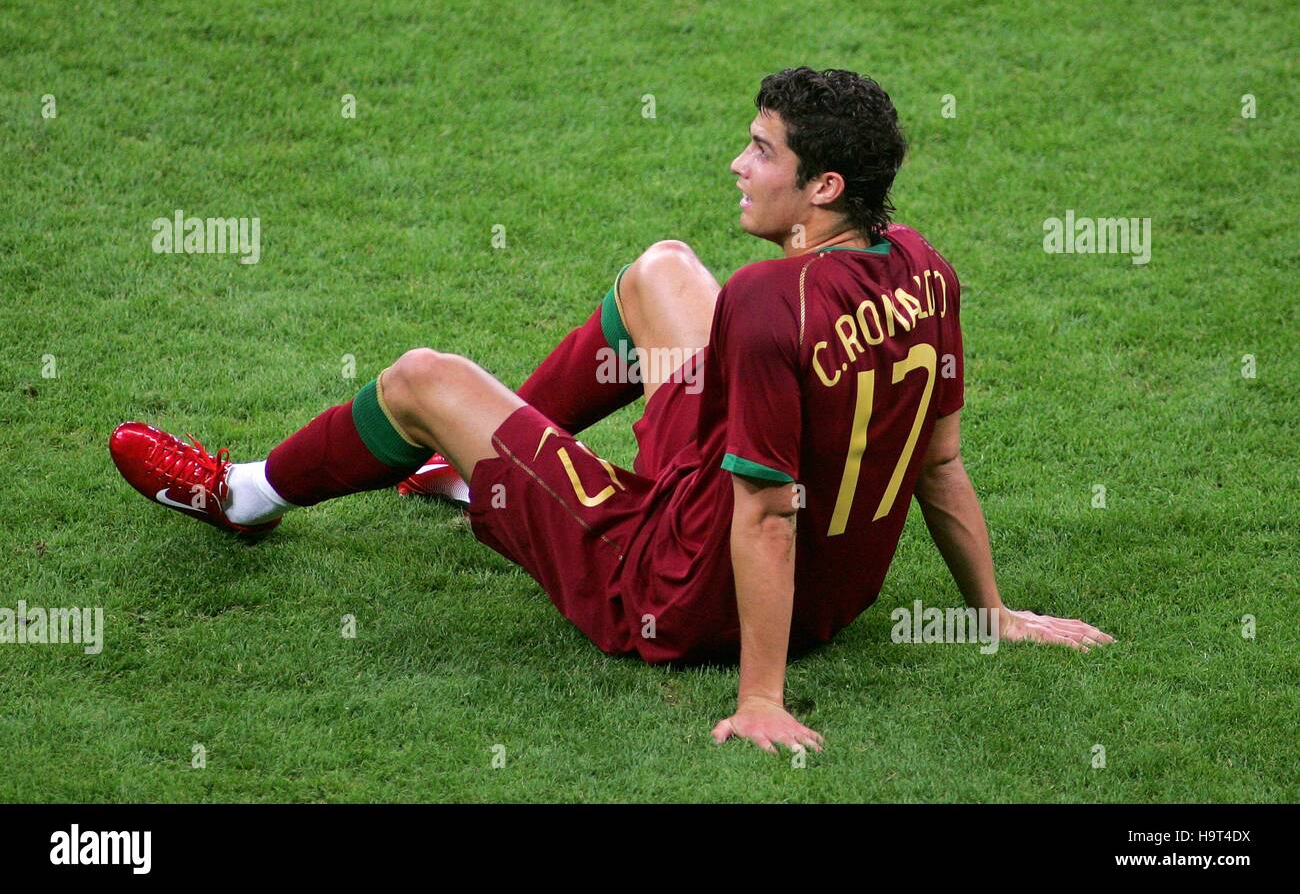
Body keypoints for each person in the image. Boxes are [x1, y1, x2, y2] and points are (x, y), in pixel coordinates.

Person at [110, 67, 1113, 756]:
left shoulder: (769, 304)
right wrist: (993, 610)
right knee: (662, 270)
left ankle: (243, 497)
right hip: (829, 589)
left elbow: (762, 515)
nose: (737, 162)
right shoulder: (925, 267)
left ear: (822, 188)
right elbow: (938, 464)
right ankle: (469, 475)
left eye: (760, 151)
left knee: (424, 377)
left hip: (675, 583)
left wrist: (758, 697)